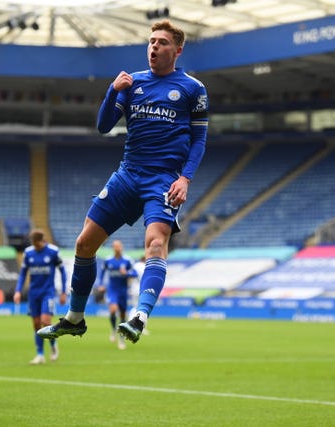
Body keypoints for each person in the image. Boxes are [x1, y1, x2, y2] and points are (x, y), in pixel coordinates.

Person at [38, 19, 208, 344]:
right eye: (151, 41)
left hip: (163, 180)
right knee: (83, 244)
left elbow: (199, 139)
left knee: (156, 244)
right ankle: (75, 318)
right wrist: (112, 91)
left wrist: (185, 179)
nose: (154, 47)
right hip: (127, 175)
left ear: (177, 50)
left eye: (161, 42)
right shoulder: (132, 83)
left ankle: (140, 316)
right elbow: (103, 126)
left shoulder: (192, 89)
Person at [13, 229, 67, 364]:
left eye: (37, 244)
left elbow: (62, 271)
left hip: (48, 292)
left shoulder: (53, 252)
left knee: (46, 321)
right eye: (34, 244)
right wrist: (18, 291)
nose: (36, 246)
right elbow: (23, 273)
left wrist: (63, 292)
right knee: (36, 324)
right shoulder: (28, 253)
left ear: (42, 241)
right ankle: (40, 354)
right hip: (33, 293)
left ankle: (53, 344)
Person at [96, 240, 137, 350]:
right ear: (113, 248)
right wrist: (100, 284)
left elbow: (135, 273)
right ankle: (114, 330)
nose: (117, 248)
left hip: (123, 291)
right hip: (112, 290)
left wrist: (127, 273)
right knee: (113, 310)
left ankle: (121, 339)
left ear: (121, 247)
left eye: (118, 246)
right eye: (115, 246)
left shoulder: (127, 260)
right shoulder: (108, 260)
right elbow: (102, 272)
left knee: (123, 315)